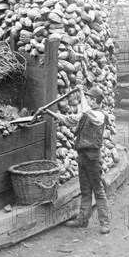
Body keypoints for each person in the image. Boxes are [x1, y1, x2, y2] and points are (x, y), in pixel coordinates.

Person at [49, 85, 110, 234]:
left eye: (89, 99)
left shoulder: (100, 115)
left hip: (93, 157)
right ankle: (83, 220)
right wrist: (50, 113)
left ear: (95, 101)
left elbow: (87, 111)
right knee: (85, 190)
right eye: (86, 98)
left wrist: (81, 92)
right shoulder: (85, 115)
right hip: (82, 156)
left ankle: (105, 223)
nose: (87, 101)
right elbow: (69, 120)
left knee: (98, 190)